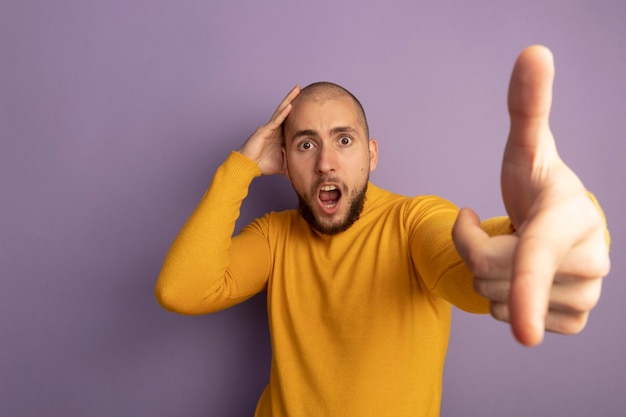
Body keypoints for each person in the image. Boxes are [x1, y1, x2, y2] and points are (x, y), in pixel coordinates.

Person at [155, 45, 610, 416]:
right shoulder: (274, 237)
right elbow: (181, 289)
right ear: (285, 162)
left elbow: (467, 259)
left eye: (344, 140)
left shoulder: (412, 223)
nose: (326, 162)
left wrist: (551, 233)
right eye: (305, 144)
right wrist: (242, 168)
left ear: (371, 154)